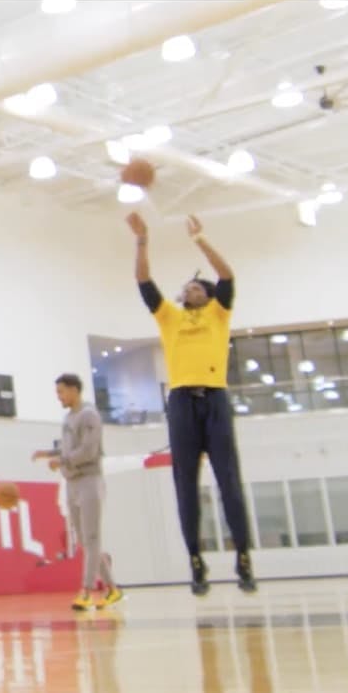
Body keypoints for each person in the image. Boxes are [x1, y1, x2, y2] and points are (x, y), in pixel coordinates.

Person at [125, 211, 256, 595]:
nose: (190, 290)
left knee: (228, 480)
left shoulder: (219, 313)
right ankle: (196, 561)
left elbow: (227, 274)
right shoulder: (170, 318)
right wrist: (142, 239)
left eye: (197, 286)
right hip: (182, 401)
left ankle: (243, 557)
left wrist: (200, 239)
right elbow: (143, 279)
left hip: (214, 398)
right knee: (185, 484)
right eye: (187, 287)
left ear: (209, 294)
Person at [32, 373, 124, 610]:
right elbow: (66, 449)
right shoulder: (68, 419)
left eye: (61, 392)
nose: (59, 397)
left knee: (92, 537)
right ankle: (113, 589)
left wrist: (61, 461)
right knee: (84, 540)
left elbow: (88, 451)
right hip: (72, 482)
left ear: (74, 390)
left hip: (89, 480)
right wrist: (48, 454)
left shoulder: (89, 415)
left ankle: (86, 590)